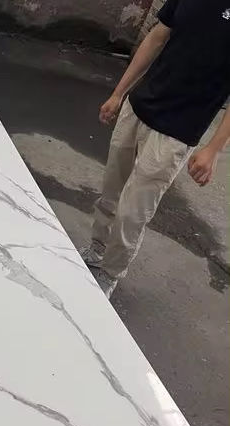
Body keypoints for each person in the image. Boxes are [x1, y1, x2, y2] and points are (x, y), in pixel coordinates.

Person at [81, 0, 230, 298]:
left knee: (132, 213)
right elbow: (157, 36)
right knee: (110, 192)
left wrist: (213, 149)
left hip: (176, 132)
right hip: (138, 107)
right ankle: (96, 249)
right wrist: (119, 93)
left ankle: (109, 273)